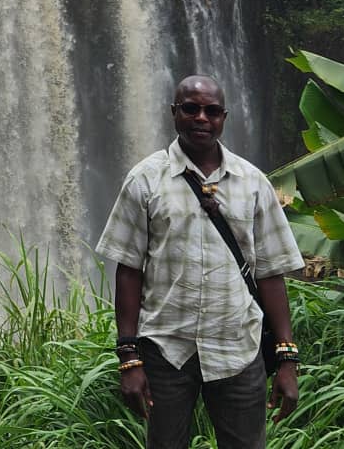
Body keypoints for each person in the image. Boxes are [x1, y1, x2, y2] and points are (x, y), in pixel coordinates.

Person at [96, 74, 304, 449]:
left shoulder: (253, 182)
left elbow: (271, 274)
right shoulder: (144, 181)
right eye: (191, 109)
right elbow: (129, 270)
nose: (201, 118)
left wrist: (287, 359)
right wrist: (129, 357)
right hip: (166, 350)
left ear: (224, 117)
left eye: (211, 111)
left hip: (238, 347)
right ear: (175, 113)